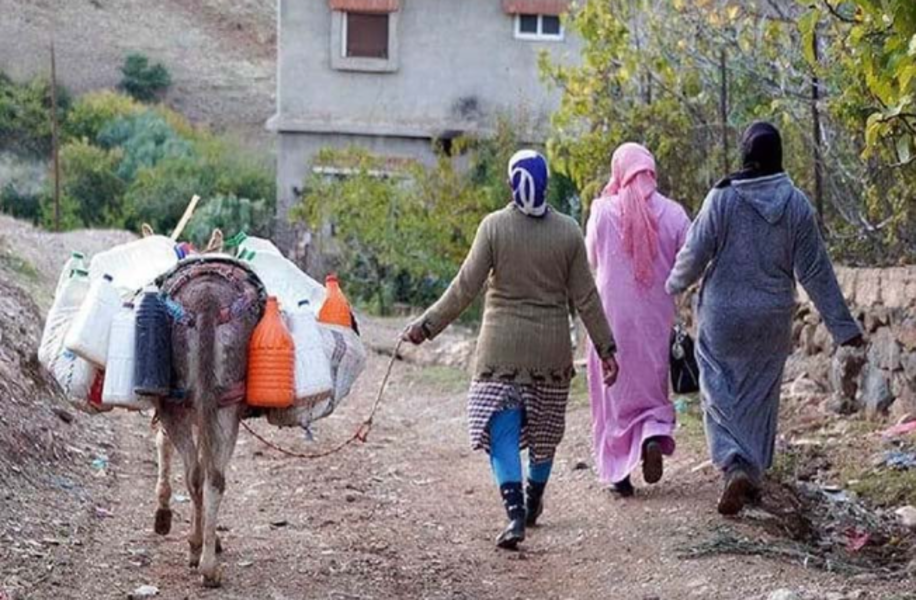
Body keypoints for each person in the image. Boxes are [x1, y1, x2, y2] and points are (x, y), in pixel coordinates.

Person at [403, 150, 620, 549]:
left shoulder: (494, 227)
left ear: (510, 184)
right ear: (548, 185)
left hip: (498, 351)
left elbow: (464, 288)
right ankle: (535, 496)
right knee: (544, 432)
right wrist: (606, 348)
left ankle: (515, 513)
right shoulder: (568, 231)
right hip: (550, 352)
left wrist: (426, 326)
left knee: (502, 430)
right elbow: (586, 297)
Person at [665, 122, 863, 515]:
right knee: (760, 395)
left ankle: (734, 464)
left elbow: (695, 252)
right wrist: (845, 329)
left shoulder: (722, 198)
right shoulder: (796, 205)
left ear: (745, 154)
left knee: (718, 389)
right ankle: (750, 471)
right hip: (771, 316)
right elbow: (816, 273)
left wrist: (673, 284)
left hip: (722, 316)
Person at [585, 143, 691, 497]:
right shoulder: (674, 214)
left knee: (613, 392)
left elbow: (591, 259)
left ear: (620, 170)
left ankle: (619, 472)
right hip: (655, 318)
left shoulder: (602, 211)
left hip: (610, 318)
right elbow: (690, 260)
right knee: (651, 385)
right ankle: (650, 435)